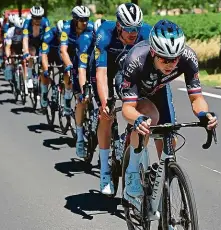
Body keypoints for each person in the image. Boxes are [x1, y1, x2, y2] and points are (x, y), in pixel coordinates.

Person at [120, 19, 218, 217]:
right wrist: (137, 119)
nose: (171, 64)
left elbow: (197, 97)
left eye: (174, 59)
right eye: (165, 59)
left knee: (169, 138)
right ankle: (131, 175)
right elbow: (127, 109)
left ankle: (158, 186)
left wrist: (204, 114)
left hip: (159, 89)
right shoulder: (136, 60)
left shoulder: (187, 57)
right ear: (154, 53)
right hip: (136, 90)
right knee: (150, 117)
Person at [90, 3, 152, 195]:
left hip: (130, 73)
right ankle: (105, 171)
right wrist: (103, 103)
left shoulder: (146, 33)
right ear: (118, 26)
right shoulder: (104, 33)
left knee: (141, 106)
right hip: (106, 71)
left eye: (136, 28)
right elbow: (101, 73)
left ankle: (129, 143)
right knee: (106, 115)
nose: (133, 33)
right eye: (128, 29)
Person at [59, 5, 94, 158]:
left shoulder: (91, 29)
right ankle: (80, 138)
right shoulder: (67, 28)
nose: (84, 22)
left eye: (87, 19)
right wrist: (68, 66)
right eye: (81, 20)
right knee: (80, 99)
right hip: (72, 58)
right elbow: (63, 50)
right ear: (75, 20)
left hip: (86, 58)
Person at [22, 6, 50, 95]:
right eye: (35, 17)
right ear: (31, 16)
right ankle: (29, 77)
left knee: (43, 59)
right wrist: (26, 52)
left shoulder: (45, 22)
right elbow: (25, 39)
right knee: (31, 53)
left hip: (42, 42)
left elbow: (49, 37)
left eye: (39, 17)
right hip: (32, 43)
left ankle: (42, 81)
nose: (37, 20)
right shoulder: (27, 23)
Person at [39, 19, 66, 110]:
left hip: (59, 52)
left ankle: (64, 97)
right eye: (59, 36)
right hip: (48, 53)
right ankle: (44, 93)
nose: (61, 39)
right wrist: (46, 69)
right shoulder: (49, 35)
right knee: (44, 71)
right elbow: (44, 55)